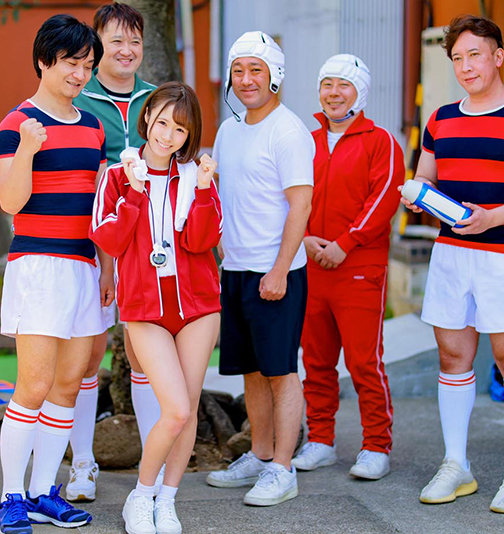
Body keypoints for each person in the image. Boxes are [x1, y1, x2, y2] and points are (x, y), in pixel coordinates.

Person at [401, 15, 504, 513]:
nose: (466, 66)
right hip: (452, 253)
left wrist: (492, 218)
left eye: (475, 54)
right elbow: (426, 178)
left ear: (498, 56)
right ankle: (457, 465)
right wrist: (418, 195)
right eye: (457, 58)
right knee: (452, 359)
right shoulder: (440, 118)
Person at [0, 14, 109, 533]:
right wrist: (27, 148)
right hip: (38, 266)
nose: (80, 74)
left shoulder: (93, 126)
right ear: (44, 61)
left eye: (87, 66)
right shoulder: (16, 123)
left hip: (85, 266)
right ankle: (11, 497)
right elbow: (9, 201)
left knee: (68, 385)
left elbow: (99, 207)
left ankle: (43, 492)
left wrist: (106, 269)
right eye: (71, 63)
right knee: (34, 384)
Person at [91, 81, 221, 534]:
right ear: (146, 117)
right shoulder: (117, 174)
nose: (167, 136)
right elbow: (108, 240)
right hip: (145, 308)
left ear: (190, 135)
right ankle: (141, 496)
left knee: (188, 407)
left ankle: (167, 500)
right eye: (162, 122)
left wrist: (202, 189)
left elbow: (203, 241)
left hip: (198, 306)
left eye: (179, 129)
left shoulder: (196, 174)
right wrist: (134, 192)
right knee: (177, 410)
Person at [205, 31, 314, 507]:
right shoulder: (229, 129)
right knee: (250, 371)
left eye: (256, 70)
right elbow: (222, 193)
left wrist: (280, 269)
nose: (246, 79)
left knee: (280, 371)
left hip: (277, 273)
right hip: (236, 269)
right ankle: (260, 454)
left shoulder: (288, 130)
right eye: (239, 70)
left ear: (275, 76)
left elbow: (301, 205)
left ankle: (282, 469)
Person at [293, 54, 404, 479]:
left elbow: (385, 197)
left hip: (359, 268)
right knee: (316, 361)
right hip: (312, 265)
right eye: (327, 84)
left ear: (361, 92)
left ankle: (376, 446)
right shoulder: (306, 140)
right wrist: (304, 238)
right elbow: (291, 196)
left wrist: (346, 243)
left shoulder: (381, 141)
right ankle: (320, 440)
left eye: (344, 85)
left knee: (363, 362)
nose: (334, 93)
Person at [67, 2, 159, 503]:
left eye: (135, 41)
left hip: (149, 251)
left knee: (145, 357)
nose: (126, 50)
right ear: (97, 45)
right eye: (116, 41)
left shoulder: (157, 101)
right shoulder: (78, 99)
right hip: (89, 247)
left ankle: (152, 469)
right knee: (88, 356)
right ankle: (83, 464)